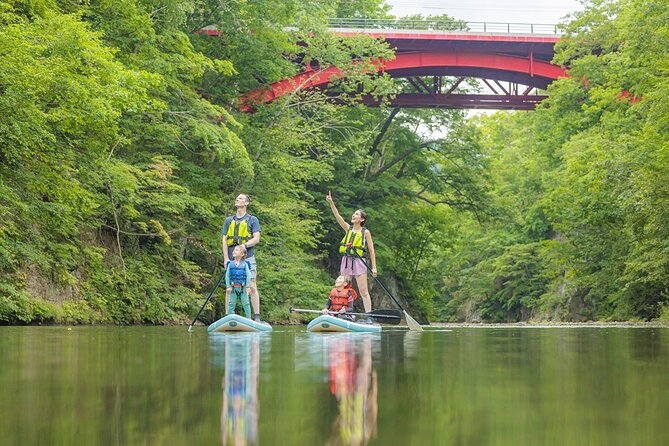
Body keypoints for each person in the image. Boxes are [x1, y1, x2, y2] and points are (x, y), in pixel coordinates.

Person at [326, 191, 377, 313]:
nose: (353, 215)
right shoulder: (347, 228)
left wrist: (374, 268)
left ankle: (368, 315)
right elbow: (337, 216)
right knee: (343, 288)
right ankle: (342, 311)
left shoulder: (366, 232)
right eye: (354, 213)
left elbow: (371, 250)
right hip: (347, 261)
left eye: (357, 214)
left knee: (364, 291)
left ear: (362, 219)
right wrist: (331, 202)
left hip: (359, 262)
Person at [222, 194, 262, 322]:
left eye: (240, 198)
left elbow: (256, 238)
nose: (237, 199)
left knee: (252, 285)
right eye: (237, 198)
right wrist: (226, 258)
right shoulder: (228, 220)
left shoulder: (252, 220)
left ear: (246, 203)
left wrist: (244, 245)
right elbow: (224, 240)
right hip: (232, 259)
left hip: (248, 257)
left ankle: (256, 317)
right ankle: (228, 315)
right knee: (229, 287)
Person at [225, 245, 252, 318]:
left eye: (236, 250)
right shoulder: (230, 264)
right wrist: (228, 286)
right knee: (231, 303)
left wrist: (248, 286)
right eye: (234, 250)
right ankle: (229, 317)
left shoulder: (245, 264)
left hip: (243, 288)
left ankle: (249, 318)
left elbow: (248, 276)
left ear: (242, 254)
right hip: (233, 288)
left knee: (246, 302)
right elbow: (227, 276)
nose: (234, 251)